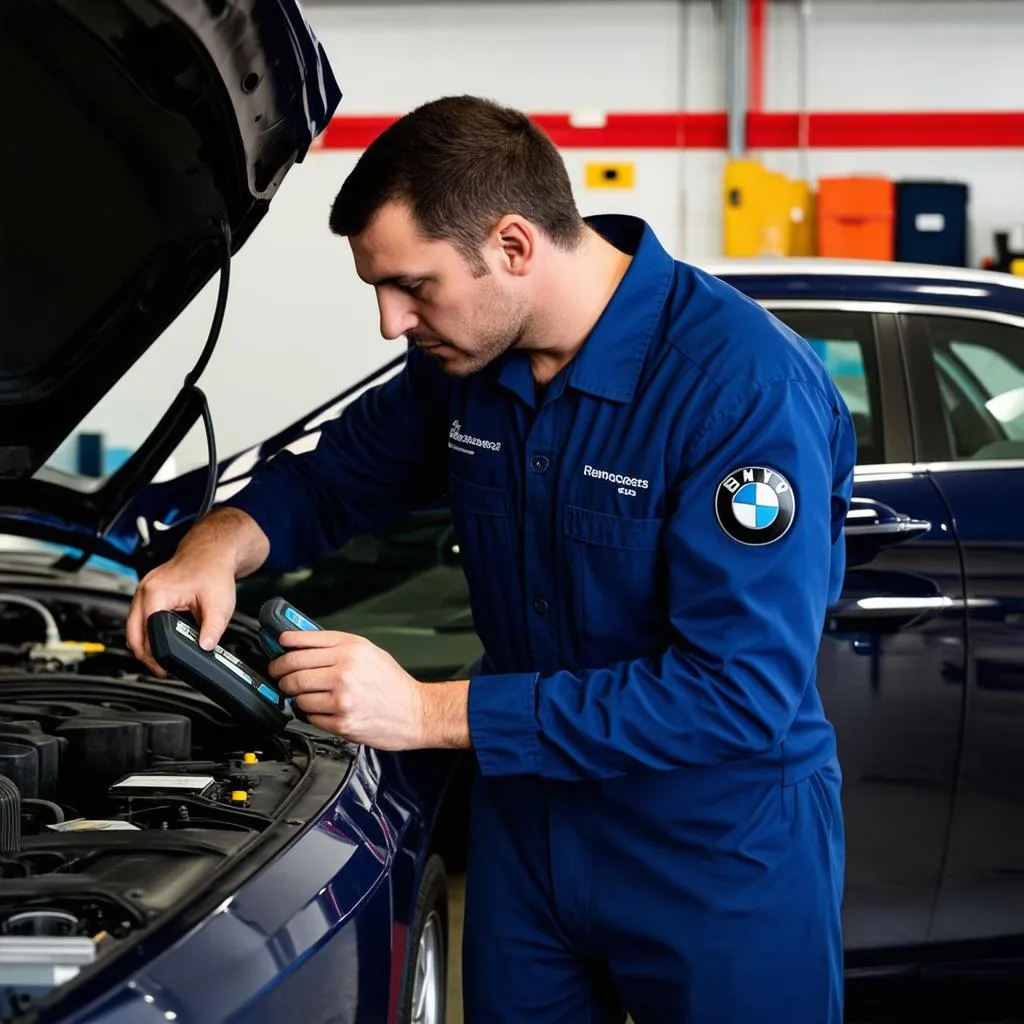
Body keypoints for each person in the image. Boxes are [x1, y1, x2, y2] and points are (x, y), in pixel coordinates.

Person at [125, 94, 856, 1023]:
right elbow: (333, 480)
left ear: (513, 245)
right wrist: (215, 546)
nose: (392, 322)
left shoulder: (742, 389)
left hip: (717, 841)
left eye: (413, 287)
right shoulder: (466, 366)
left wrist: (427, 711)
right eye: (378, 291)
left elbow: (739, 693)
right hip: (532, 832)